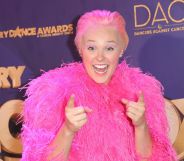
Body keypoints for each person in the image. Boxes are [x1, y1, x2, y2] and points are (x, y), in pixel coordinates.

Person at [21, 10, 177, 161]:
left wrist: (141, 126)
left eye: (109, 48)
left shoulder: (143, 92)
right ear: (80, 49)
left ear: (121, 50)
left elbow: (156, 158)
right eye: (91, 48)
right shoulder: (54, 92)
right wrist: (67, 130)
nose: (100, 57)